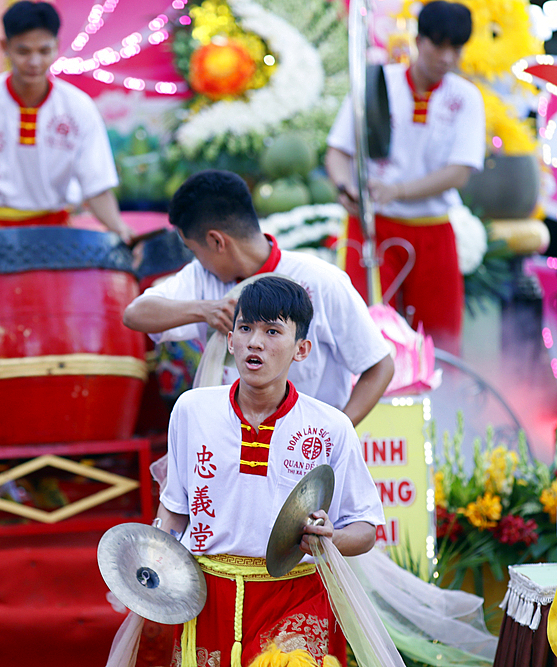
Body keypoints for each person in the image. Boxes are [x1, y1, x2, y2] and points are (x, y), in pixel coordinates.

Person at [156, 276, 385, 667]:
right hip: (209, 595)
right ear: (230, 340)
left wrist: (328, 540)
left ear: (302, 349)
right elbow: (175, 511)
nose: (255, 342)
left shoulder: (331, 427)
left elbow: (365, 530)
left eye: (272, 331)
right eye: (245, 328)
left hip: (298, 594)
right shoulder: (192, 411)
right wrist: (153, 558)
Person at [123, 170, 394, 427]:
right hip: (230, 450)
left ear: (217, 242)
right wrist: (204, 310)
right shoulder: (201, 278)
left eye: (195, 250)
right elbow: (135, 314)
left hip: (302, 453)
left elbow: (379, 365)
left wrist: (333, 435)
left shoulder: (320, 280)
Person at [325, 0, 484, 355]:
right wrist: (344, 187)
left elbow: (459, 172)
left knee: (439, 338)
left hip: (432, 230)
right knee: (364, 335)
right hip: (372, 228)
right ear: (418, 39)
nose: (446, 57)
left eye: (455, 48)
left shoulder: (466, 98)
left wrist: (396, 191)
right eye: (438, 44)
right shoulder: (377, 83)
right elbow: (338, 151)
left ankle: (441, 409)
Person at [0, 0, 134, 260]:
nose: (34, 61)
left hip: (55, 235)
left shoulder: (78, 108)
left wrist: (119, 230)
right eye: (23, 51)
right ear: (4, 47)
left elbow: (96, 187)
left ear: (57, 47)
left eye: (44, 50)